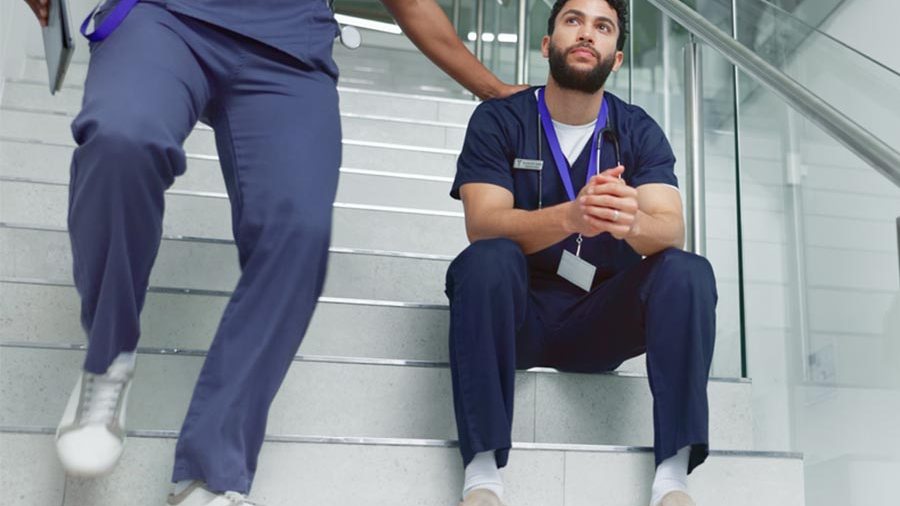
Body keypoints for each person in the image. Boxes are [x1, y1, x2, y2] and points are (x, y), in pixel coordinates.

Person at [21, 0, 525, 504]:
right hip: (166, 16)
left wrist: (494, 89)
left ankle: (211, 475)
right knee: (121, 138)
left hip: (287, 45)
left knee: (299, 229)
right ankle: (108, 363)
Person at [445, 0, 717, 505]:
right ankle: (482, 475)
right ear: (548, 45)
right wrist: (572, 217)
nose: (587, 34)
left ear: (616, 59)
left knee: (687, 271)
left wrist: (631, 221)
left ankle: (672, 479)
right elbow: (482, 224)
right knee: (485, 259)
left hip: (597, 319)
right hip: (516, 313)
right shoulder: (499, 120)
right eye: (573, 21)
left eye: (603, 26)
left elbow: (670, 229)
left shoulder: (638, 130)